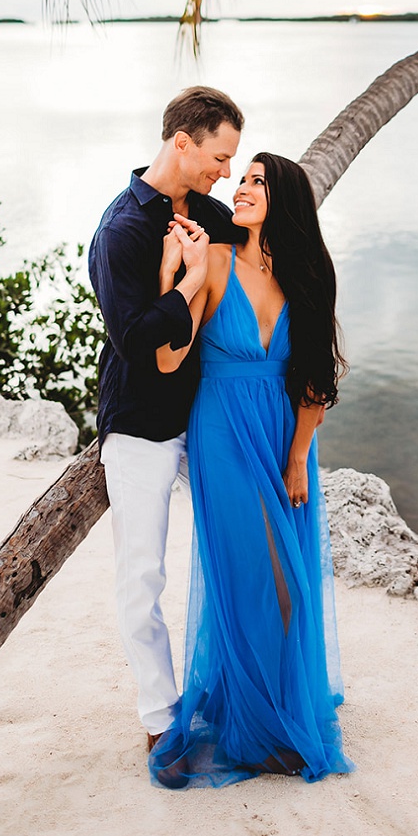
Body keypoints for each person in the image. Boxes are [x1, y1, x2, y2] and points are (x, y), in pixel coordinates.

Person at [146, 152, 352, 789]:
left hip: (286, 438)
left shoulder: (307, 272)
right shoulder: (215, 264)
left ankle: (276, 711)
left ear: (284, 198)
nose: (241, 189)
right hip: (223, 433)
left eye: (256, 181)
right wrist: (171, 275)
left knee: (291, 582)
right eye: (240, 180)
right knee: (253, 578)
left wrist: (297, 457)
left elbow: (318, 372)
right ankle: (255, 730)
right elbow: (165, 360)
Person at [88, 86, 246, 753]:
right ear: (181, 142)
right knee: (143, 574)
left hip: (207, 413)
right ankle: (161, 716)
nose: (227, 172)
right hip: (141, 422)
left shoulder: (209, 209)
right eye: (219, 155)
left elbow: (262, 248)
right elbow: (136, 336)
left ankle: (245, 696)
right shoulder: (120, 231)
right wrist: (187, 278)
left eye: (235, 160)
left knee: (235, 556)